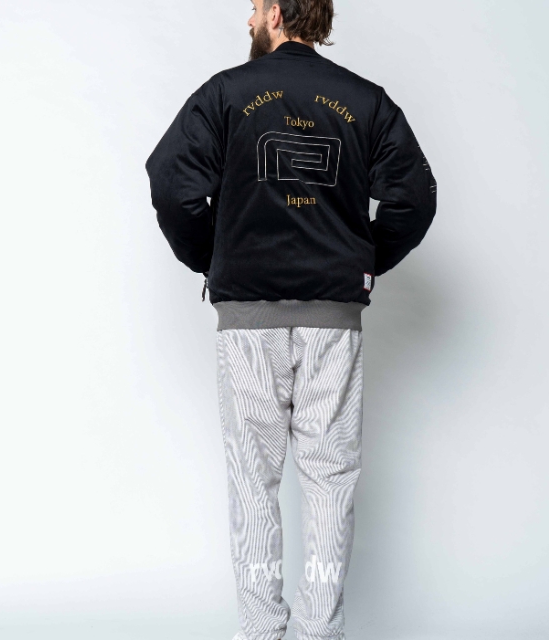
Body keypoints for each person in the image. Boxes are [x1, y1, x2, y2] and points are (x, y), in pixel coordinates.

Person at [145, 0, 437, 638]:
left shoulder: (226, 94)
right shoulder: (366, 101)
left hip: (247, 317)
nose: (248, 19)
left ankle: (261, 632)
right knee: (331, 479)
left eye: (253, 8)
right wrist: (360, 261)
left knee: (253, 479)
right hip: (334, 318)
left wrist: (214, 258)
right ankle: (318, 633)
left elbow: (170, 183)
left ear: (276, 12)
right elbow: (416, 198)